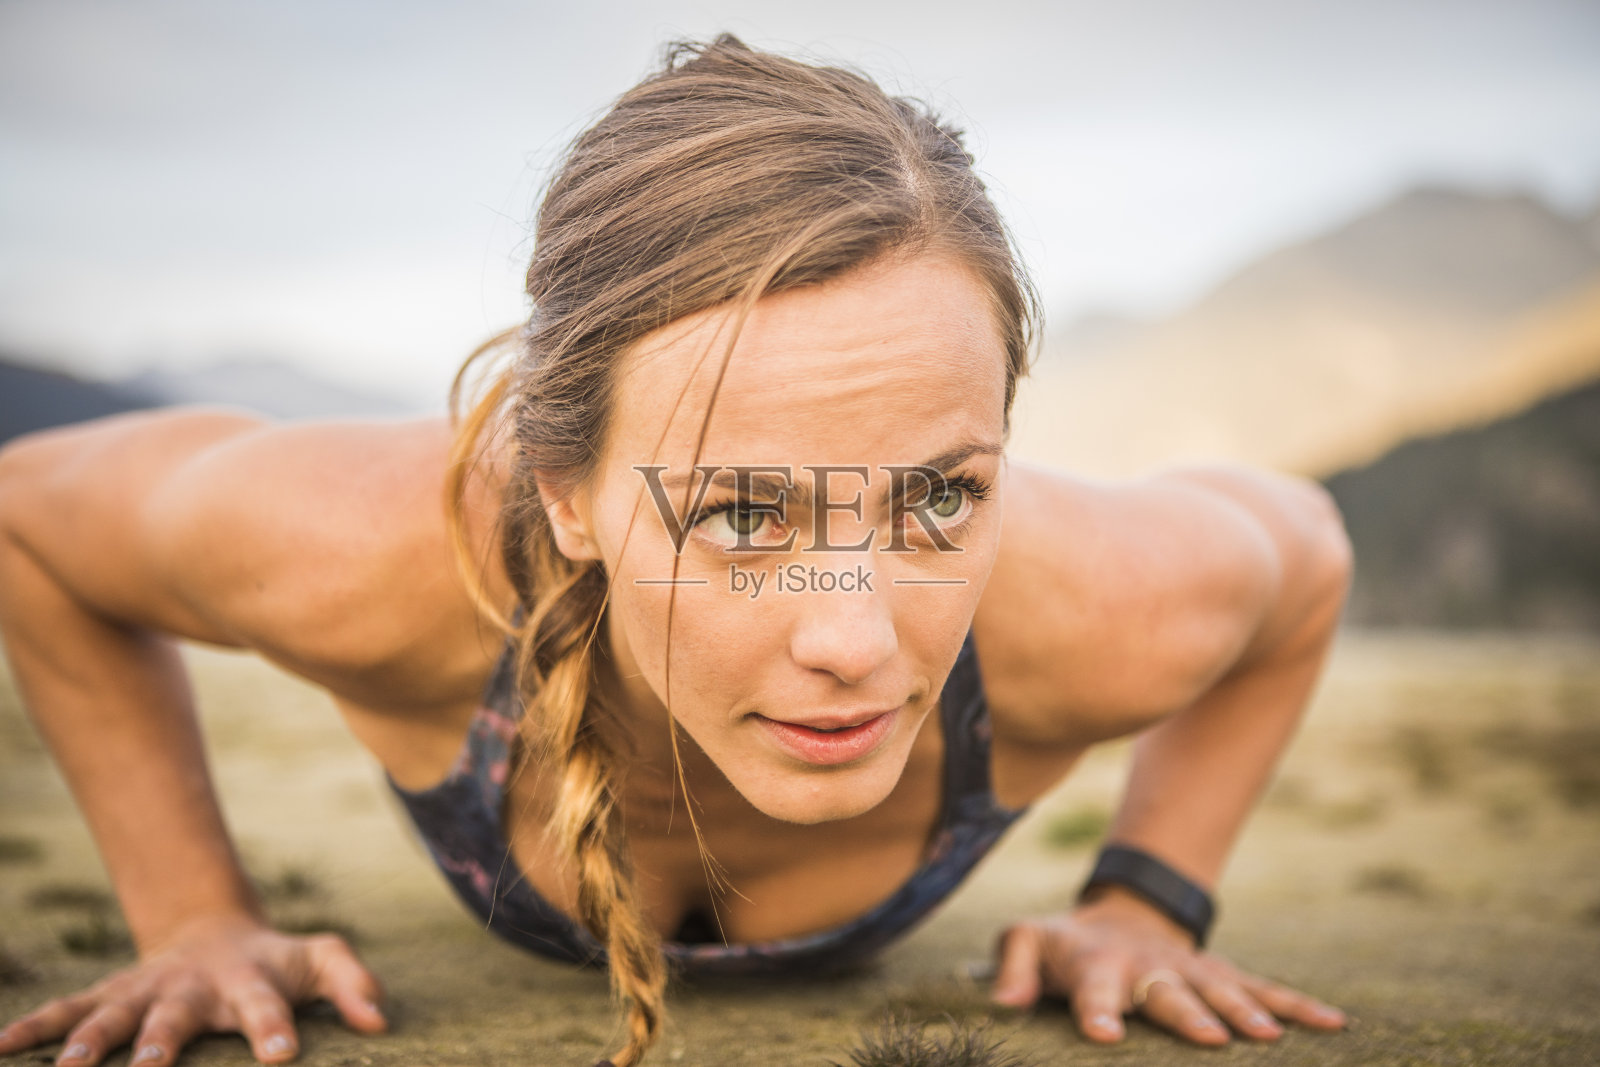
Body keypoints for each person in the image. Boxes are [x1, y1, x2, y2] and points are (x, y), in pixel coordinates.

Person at [0, 33, 1354, 1067]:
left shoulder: (1104, 605)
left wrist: (1145, 900)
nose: (856, 643)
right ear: (567, 492)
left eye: (938, 496)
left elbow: (1305, 558)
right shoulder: (373, 556)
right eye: (742, 516)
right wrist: (191, 916)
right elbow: (32, 519)